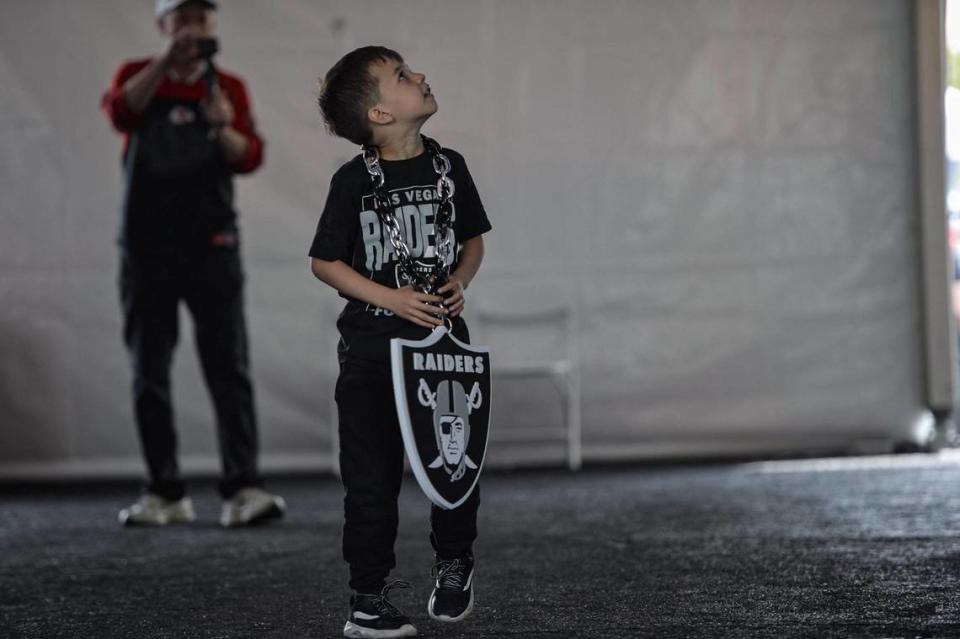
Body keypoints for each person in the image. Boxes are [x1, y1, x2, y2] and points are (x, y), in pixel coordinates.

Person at [311, 46, 491, 638]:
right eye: (402, 76)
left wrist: (460, 283)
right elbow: (324, 262)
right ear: (381, 115)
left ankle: (454, 563)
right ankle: (367, 596)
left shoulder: (450, 168)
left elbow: (473, 244)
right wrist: (388, 298)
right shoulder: (350, 182)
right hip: (369, 355)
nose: (420, 76)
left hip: (442, 347)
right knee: (370, 478)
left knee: (454, 462)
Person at [101, 0, 285, 528]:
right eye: (182, 18)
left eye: (202, 18)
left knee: (229, 368)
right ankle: (165, 492)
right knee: (148, 371)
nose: (193, 28)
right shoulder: (138, 76)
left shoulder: (229, 88)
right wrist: (167, 63)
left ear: (214, 25)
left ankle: (243, 489)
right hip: (145, 248)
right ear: (163, 26)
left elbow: (247, 157)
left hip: (212, 245)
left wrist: (223, 126)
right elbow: (121, 111)